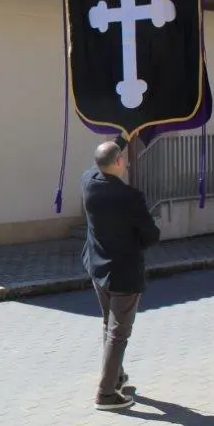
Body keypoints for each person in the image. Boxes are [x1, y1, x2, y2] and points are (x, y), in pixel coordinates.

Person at [81, 141, 161, 411]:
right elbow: (151, 236)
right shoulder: (130, 197)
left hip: (97, 267)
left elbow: (99, 162)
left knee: (109, 324)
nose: (126, 162)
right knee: (118, 332)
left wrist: (122, 138)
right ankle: (106, 394)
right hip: (123, 272)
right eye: (123, 158)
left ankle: (116, 376)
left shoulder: (87, 181)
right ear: (117, 162)